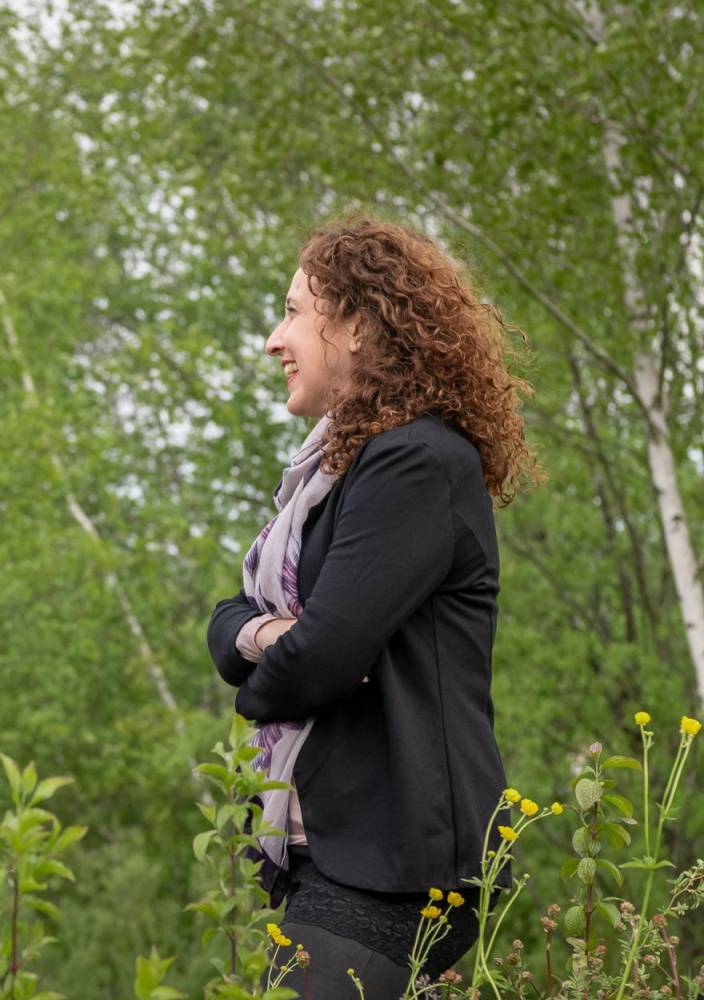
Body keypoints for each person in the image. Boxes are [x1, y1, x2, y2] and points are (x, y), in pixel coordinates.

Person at [207, 216, 538, 996]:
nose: (272, 339)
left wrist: (271, 656)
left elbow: (319, 662)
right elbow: (229, 622)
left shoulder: (416, 462)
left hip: (393, 858)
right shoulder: (335, 473)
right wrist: (268, 636)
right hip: (334, 846)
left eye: (293, 311)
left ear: (356, 325)